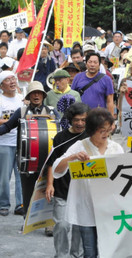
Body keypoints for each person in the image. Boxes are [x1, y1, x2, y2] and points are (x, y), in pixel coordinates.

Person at [53, 107, 124, 258]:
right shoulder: (80, 146)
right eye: (101, 130)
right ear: (92, 130)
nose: (105, 134)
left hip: (108, 208)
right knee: (89, 250)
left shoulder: (116, 148)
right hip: (86, 207)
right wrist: (72, 158)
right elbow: (57, 169)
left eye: (108, 129)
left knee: (108, 250)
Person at [0, 81, 60, 217]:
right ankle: (27, 220)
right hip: (27, 159)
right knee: (27, 191)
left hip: (48, 160)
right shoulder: (21, 111)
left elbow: (60, 131)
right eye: (33, 93)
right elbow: (7, 127)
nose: (36, 95)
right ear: (29, 96)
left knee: (49, 189)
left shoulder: (51, 111)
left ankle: (48, 223)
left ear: (43, 96)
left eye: (39, 93)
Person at [46, 102, 90, 258]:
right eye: (77, 119)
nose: (80, 123)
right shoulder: (61, 137)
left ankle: (76, 255)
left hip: (83, 192)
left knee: (79, 228)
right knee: (62, 226)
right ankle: (61, 255)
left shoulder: (93, 137)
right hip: (62, 189)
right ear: (71, 119)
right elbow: (51, 162)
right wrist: (50, 184)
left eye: (84, 120)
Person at [0, 71, 24, 216]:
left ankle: (20, 204)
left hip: (22, 142)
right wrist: (13, 121)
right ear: (2, 86)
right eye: (8, 80)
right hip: (4, 142)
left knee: (21, 175)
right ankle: (3, 204)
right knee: (4, 176)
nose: (12, 81)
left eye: (13, 78)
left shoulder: (22, 99)